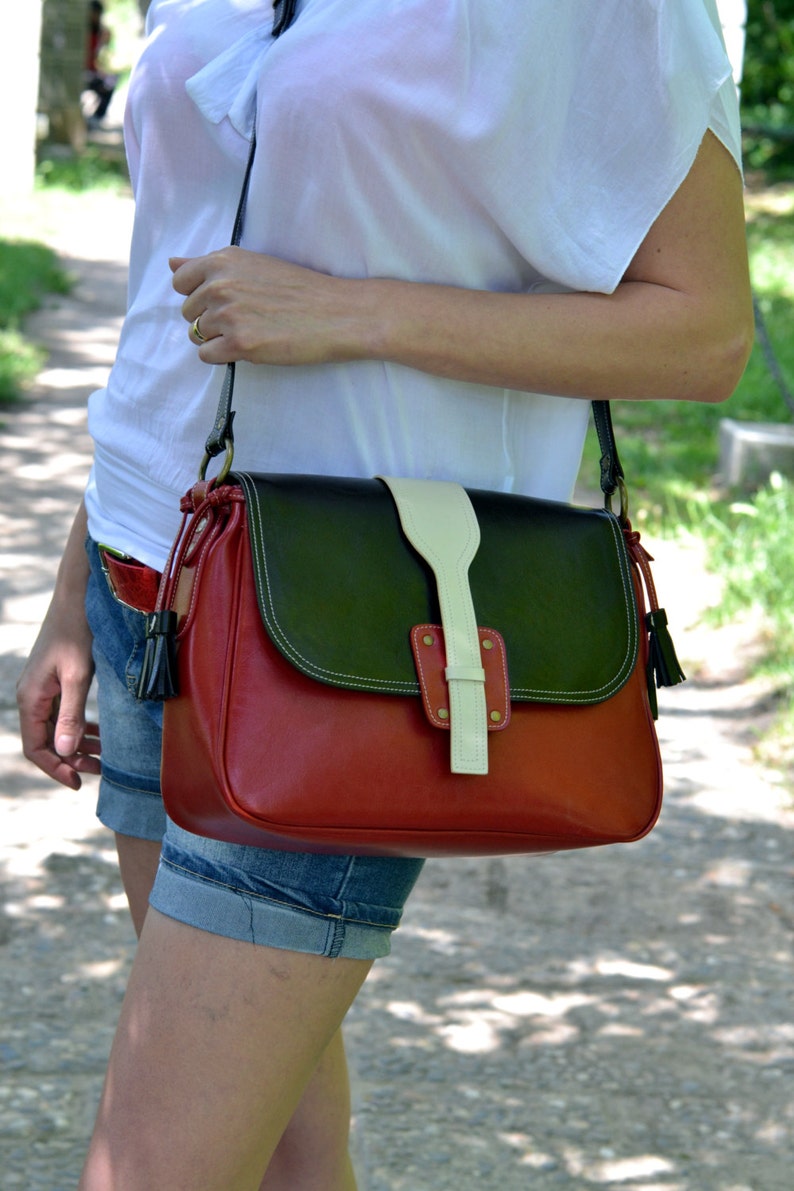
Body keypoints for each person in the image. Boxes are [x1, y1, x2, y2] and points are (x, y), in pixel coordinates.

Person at [17, 1, 753, 1187]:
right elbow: (178, 298)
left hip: (349, 631)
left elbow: (703, 333)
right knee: (287, 1152)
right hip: (152, 596)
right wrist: (76, 584)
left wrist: (353, 316)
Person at [84, 1, 116, 126]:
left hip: (93, 72)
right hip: (82, 73)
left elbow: (101, 57)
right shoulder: (83, 31)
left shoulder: (101, 32)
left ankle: (97, 118)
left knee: (110, 83)